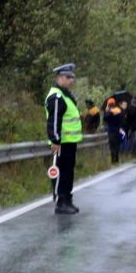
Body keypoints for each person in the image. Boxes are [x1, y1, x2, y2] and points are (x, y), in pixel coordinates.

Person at [45, 63, 83, 215]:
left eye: (73, 77)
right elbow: (54, 120)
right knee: (61, 172)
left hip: (69, 141)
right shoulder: (57, 96)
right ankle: (61, 202)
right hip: (61, 143)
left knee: (68, 171)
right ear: (60, 78)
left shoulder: (66, 95)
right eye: (68, 77)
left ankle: (67, 199)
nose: (71, 80)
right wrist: (55, 140)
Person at [104, 97, 125, 164]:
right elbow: (122, 120)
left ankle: (113, 160)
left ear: (109, 104)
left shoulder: (109, 112)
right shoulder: (119, 110)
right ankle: (117, 159)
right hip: (118, 130)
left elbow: (105, 118)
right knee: (117, 145)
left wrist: (107, 111)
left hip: (111, 130)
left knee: (112, 145)